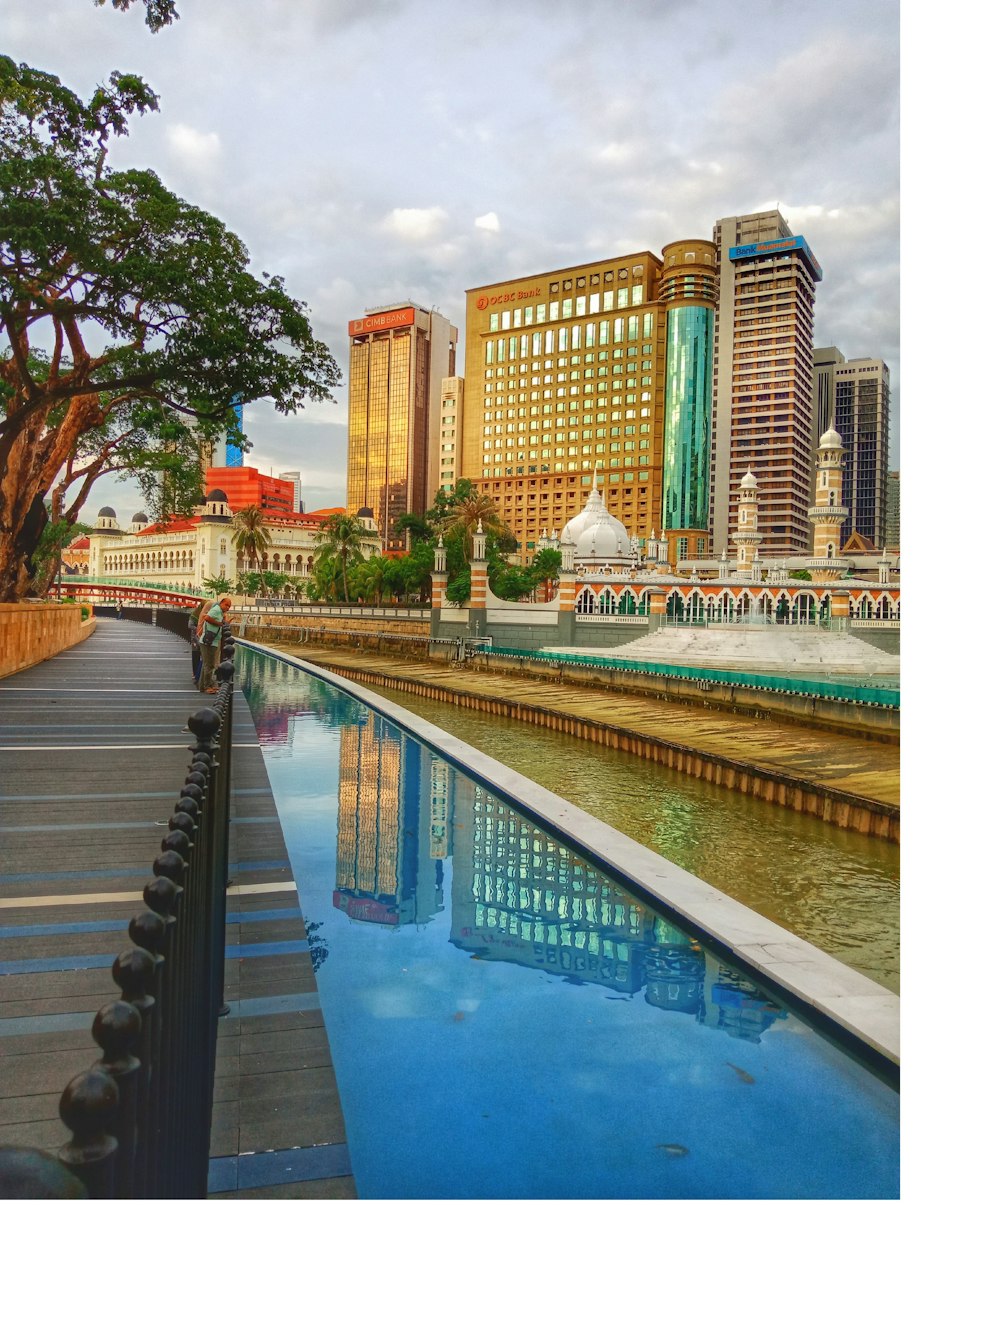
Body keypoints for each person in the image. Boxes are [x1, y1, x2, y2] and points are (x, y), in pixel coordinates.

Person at [198, 596, 232, 694]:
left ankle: (205, 686)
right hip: (208, 641)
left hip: (212, 641)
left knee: (208, 664)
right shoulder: (216, 610)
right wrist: (219, 624)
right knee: (209, 665)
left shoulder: (220, 612)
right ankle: (207, 686)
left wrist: (224, 623)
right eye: (226, 605)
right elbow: (207, 617)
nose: (227, 608)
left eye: (229, 606)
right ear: (221, 603)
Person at [188, 600, 209, 685]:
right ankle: (195, 674)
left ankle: (199, 675)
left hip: (203, 637)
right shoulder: (195, 614)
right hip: (195, 637)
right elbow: (189, 625)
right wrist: (198, 628)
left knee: (203, 655)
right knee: (196, 655)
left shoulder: (207, 614)